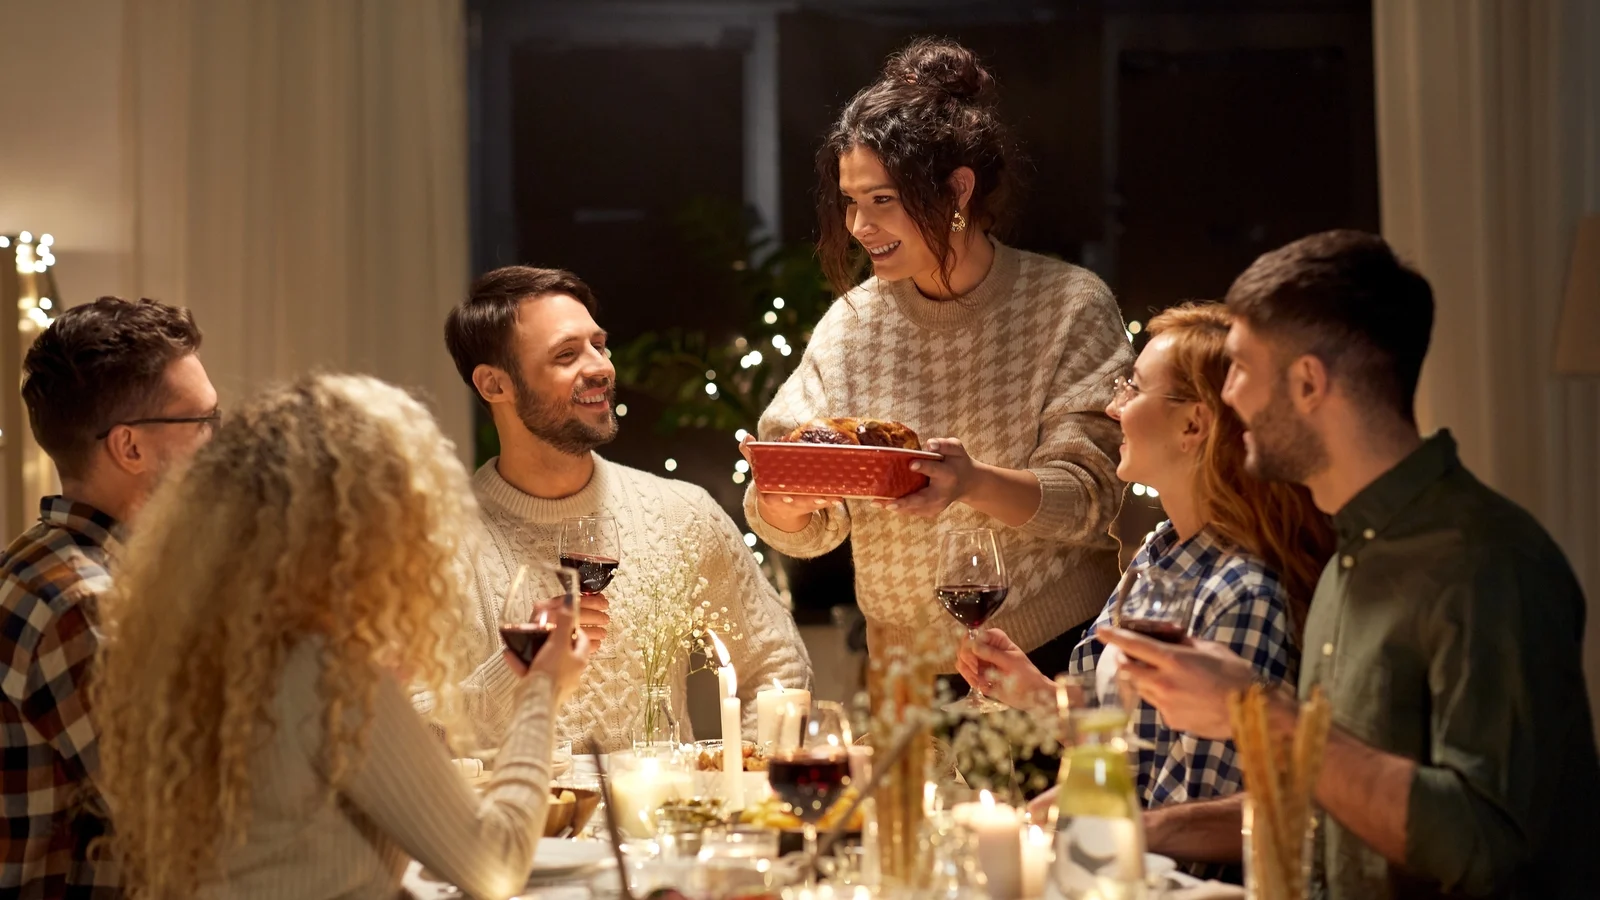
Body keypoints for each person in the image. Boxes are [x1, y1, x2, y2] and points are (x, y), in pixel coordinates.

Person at [1100, 230, 1600, 899]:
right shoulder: (1347, 561)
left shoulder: (1488, 562)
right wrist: (1151, 833)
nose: (1229, 398)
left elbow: (1484, 848)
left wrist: (1261, 715)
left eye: (1241, 369)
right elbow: (1333, 804)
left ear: (1308, 383)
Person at [92, 374, 585, 900]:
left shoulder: (206, 652)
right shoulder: (325, 673)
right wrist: (541, 690)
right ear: (356, 529)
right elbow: (494, 865)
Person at [744, 38, 1131, 680]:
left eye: (882, 200)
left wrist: (971, 483)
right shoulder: (852, 324)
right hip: (905, 673)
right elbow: (793, 506)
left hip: (1050, 655)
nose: (859, 226)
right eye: (850, 201)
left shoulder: (1067, 306)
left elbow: (1095, 500)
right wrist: (787, 501)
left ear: (957, 190)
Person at [957, 303, 1334, 874]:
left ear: (1193, 426)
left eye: (1131, 388)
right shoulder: (1159, 552)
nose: (1114, 407)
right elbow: (1130, 742)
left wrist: (1090, 830)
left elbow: (1198, 823)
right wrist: (1033, 692)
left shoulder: (1241, 591)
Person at [442, 265, 810, 752]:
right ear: (494, 385)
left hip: (667, 805)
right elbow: (399, 730)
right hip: (519, 806)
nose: (601, 367)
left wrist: (739, 780)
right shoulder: (434, 542)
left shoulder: (680, 514)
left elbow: (778, 665)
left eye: (599, 345)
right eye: (567, 354)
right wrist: (516, 668)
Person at [1, 297, 217, 899]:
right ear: (130, 447)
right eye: (204, 421)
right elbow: (202, 821)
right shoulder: (84, 605)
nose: (219, 444)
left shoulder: (44, 561)